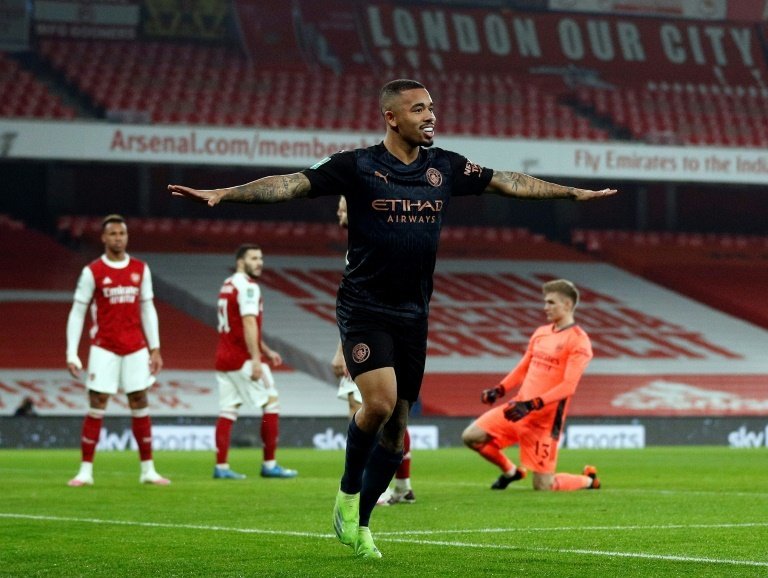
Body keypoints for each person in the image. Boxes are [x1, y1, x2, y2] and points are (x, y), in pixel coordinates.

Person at [168, 78, 616, 558]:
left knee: (398, 429)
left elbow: (509, 181)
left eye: (432, 108)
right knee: (378, 403)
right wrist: (225, 194)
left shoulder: (443, 166)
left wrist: (571, 195)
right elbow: (290, 184)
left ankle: (361, 523)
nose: (430, 116)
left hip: (413, 313)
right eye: (419, 109)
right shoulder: (356, 166)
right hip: (363, 306)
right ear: (392, 117)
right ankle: (346, 492)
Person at [462, 279, 601, 492]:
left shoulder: (579, 341)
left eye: (550, 302)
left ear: (566, 304)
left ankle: (589, 480)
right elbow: (523, 367)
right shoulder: (541, 332)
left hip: (543, 420)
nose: (545, 307)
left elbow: (568, 386)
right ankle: (512, 472)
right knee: (472, 437)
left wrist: (532, 404)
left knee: (543, 486)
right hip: (518, 409)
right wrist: (499, 390)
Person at [65, 214, 169, 487]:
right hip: (104, 347)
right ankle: (85, 471)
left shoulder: (140, 269)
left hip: (135, 347)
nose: (118, 238)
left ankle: (148, 470)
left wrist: (155, 348)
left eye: (121, 233)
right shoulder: (93, 271)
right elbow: (78, 312)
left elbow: (148, 309)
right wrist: (71, 352)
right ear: (103, 238)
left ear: (126, 236)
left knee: (140, 401)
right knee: (97, 403)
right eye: (112, 234)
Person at [331, 195, 414, 506]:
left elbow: (361, 308)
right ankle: (402, 485)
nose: (337, 213)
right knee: (392, 417)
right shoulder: (369, 243)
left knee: (364, 411)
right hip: (392, 335)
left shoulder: (367, 248)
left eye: (341, 207)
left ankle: (368, 488)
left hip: (373, 341)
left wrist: (342, 351)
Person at [212, 243, 297, 480]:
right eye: (254, 258)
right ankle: (269, 464)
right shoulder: (248, 287)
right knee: (271, 403)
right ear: (241, 261)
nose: (259, 262)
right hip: (242, 358)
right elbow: (249, 323)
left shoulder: (228, 285)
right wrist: (257, 360)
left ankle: (221, 467)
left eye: (261, 258)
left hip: (223, 357)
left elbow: (239, 326)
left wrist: (266, 349)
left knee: (228, 410)